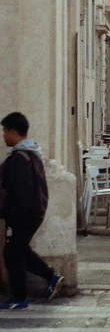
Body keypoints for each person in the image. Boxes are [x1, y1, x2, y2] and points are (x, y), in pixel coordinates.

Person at [0, 112, 64, 309]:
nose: (3, 136)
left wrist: (11, 213)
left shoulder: (21, 158)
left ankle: (20, 297)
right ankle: (51, 276)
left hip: (25, 214)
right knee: (18, 250)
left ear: (13, 131)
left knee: (12, 253)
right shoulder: (31, 153)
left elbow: (22, 190)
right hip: (32, 212)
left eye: (4, 132)